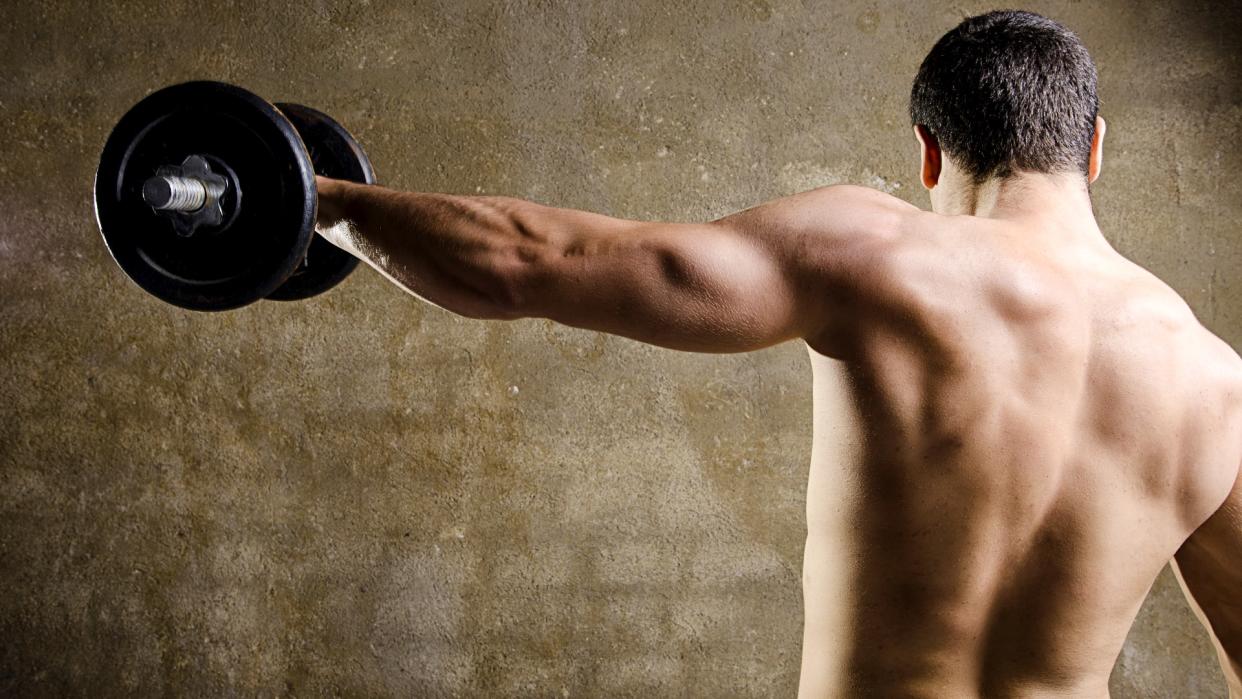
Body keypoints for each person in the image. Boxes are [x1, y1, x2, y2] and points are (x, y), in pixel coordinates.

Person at [313, 10, 1241, 698]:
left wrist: (315, 200)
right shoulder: (1215, 383)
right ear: (1094, 152)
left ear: (929, 151)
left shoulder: (878, 256)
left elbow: (536, 263)